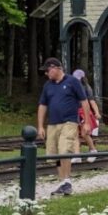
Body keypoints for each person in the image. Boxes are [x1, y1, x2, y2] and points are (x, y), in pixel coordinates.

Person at [37, 57, 87, 196]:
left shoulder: (73, 82)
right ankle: (62, 182)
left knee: (65, 149)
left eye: (47, 70)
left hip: (69, 121)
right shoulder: (48, 85)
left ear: (55, 68)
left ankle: (66, 181)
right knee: (55, 153)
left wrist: (86, 122)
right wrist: (40, 126)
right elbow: (42, 105)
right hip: (53, 124)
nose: (46, 74)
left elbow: (84, 101)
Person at [71, 69, 101, 164]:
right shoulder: (72, 86)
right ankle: (77, 155)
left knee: (85, 133)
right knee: (74, 134)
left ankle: (93, 151)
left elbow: (91, 101)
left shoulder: (86, 88)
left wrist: (97, 112)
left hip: (84, 112)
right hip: (74, 112)